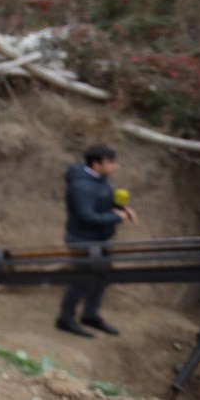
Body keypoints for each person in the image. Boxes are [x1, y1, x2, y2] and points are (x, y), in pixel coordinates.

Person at [55, 143, 137, 338]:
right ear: (96, 164)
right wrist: (117, 217)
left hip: (101, 238)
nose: (116, 166)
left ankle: (90, 315)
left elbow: (101, 203)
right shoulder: (81, 186)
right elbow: (87, 216)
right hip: (83, 239)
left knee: (102, 278)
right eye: (111, 162)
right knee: (82, 280)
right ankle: (65, 319)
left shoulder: (100, 178)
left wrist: (120, 207)